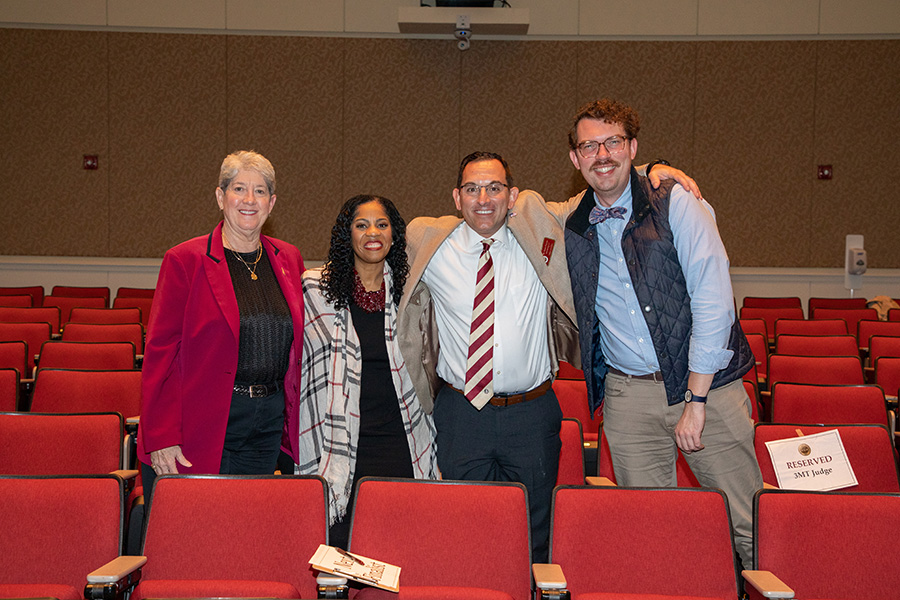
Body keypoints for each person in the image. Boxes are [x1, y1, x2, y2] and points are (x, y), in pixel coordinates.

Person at [398, 151, 696, 562]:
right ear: (456, 197)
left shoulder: (539, 232)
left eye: (495, 188)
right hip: (461, 413)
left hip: (531, 413)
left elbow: (600, 186)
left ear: (512, 195)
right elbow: (369, 245)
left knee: (534, 531)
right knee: (464, 527)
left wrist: (649, 171)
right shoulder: (426, 241)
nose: (483, 198)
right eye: (472, 189)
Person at [562, 98, 762, 567]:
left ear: (632, 148)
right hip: (627, 398)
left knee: (748, 524)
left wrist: (696, 401)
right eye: (590, 146)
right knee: (652, 530)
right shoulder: (571, 223)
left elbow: (715, 303)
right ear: (575, 159)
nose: (603, 154)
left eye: (613, 142)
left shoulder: (675, 201)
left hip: (705, 386)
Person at [137, 150, 306, 495]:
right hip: (206, 420)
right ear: (220, 196)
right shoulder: (185, 260)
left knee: (247, 524)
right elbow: (161, 353)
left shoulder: (288, 257)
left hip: (269, 421)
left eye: (260, 191)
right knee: (201, 526)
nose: (249, 200)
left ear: (272, 203)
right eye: (239, 189)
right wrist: (162, 435)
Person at [298, 195, 439, 549]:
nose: (372, 233)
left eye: (381, 224)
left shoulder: (413, 294)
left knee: (401, 545)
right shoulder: (314, 291)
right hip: (341, 443)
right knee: (342, 552)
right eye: (361, 225)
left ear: (395, 234)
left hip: (401, 439)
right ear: (348, 234)